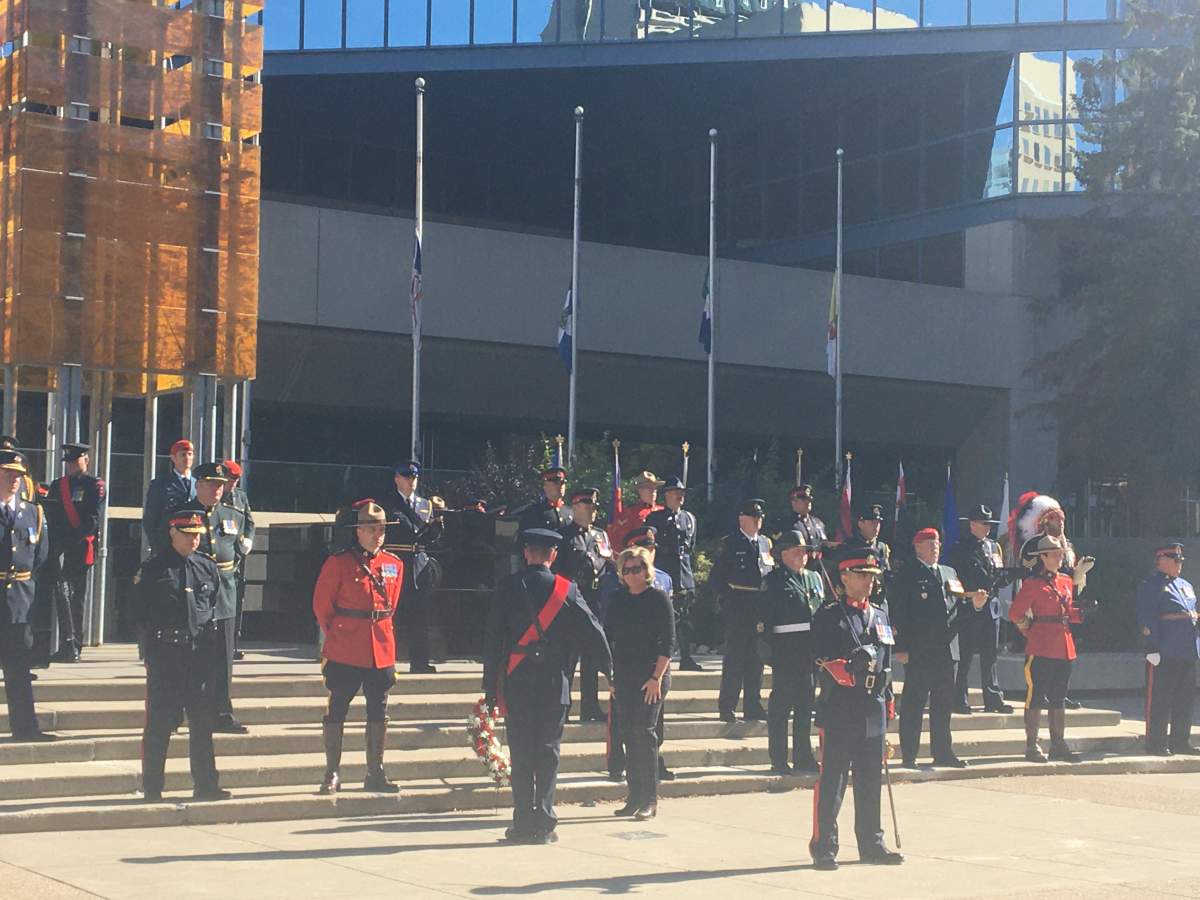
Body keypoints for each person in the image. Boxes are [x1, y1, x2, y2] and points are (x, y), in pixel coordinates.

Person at [482, 528, 612, 844]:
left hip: (518, 681)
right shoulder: (566, 590)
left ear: (526, 553)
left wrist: (489, 689)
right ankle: (545, 820)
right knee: (549, 752)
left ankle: (523, 821)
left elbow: (493, 639)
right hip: (555, 681)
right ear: (552, 555)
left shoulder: (508, 587)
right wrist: (610, 672)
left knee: (522, 751)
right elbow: (593, 633)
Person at [809, 548, 903, 871]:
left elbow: (887, 662)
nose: (869, 582)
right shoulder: (829, 615)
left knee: (869, 780)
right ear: (845, 577)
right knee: (833, 781)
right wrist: (844, 667)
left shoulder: (880, 615)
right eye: (862, 575)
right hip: (840, 707)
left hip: (872, 708)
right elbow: (819, 658)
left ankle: (872, 843)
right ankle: (824, 846)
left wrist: (889, 703)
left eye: (872, 576)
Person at [135, 500, 227, 802]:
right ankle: (152, 787)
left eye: (197, 533)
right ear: (172, 532)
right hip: (166, 654)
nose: (194, 539)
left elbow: (210, 605)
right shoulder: (153, 568)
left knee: (202, 724)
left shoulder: (206, 567)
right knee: (160, 723)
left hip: (198, 655)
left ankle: (206, 784)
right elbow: (138, 612)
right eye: (187, 533)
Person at [312, 499, 405, 793]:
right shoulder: (338, 563)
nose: (377, 534)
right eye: (370, 528)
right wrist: (338, 633)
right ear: (358, 532)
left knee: (378, 710)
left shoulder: (394, 564)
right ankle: (332, 773)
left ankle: (375, 772)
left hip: (380, 647)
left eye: (381, 529)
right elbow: (322, 606)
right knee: (338, 708)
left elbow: (392, 606)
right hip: (346, 646)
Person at [891, 527, 984, 768]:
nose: (935, 547)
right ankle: (909, 755)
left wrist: (975, 604)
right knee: (913, 705)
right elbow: (899, 612)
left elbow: (958, 605)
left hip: (947, 649)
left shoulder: (949, 572)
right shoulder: (908, 573)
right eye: (929, 543)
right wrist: (900, 646)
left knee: (943, 705)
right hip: (920, 650)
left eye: (937, 543)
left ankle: (942, 752)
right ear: (917, 546)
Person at [606, 546, 674, 821]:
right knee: (626, 733)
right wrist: (610, 677)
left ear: (647, 571)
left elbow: (668, 642)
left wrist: (656, 677)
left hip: (652, 676)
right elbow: (607, 638)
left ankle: (649, 799)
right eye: (628, 570)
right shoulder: (617, 599)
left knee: (645, 735)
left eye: (638, 569)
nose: (633, 575)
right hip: (624, 675)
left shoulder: (658, 599)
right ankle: (633, 797)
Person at [1009, 533, 1082, 763]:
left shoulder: (1065, 581)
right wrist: (1028, 631)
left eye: (1061, 554)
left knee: (1059, 697)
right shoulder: (1032, 583)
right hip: (1040, 645)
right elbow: (1015, 613)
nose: (1060, 558)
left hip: (1063, 644)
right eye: (1055, 554)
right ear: (1043, 557)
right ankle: (1032, 746)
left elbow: (1068, 611)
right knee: (1036, 696)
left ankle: (1058, 743)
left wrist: (1083, 612)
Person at [0, 450, 54, 741]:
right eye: (8, 474)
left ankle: (25, 728)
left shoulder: (33, 512)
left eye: (18, 476)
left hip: (19, 601)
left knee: (19, 670)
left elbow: (40, 557)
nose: (14, 481)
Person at [193, 462, 250, 735]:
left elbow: (236, 550)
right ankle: (190, 709)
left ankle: (222, 713)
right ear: (198, 485)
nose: (218, 489)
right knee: (193, 656)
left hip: (225, 591)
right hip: (195, 594)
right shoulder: (184, 514)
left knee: (223, 658)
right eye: (212, 484)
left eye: (220, 484)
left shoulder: (232, 513)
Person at [760, 531, 824, 774]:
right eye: (796, 550)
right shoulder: (774, 580)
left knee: (805, 707)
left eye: (804, 551)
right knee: (781, 708)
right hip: (786, 651)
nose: (802, 555)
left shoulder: (814, 578)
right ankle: (778, 759)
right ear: (783, 554)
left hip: (810, 653)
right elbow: (764, 620)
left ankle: (803, 757)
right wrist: (769, 653)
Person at [552, 486, 613, 722]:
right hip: (569, 604)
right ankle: (563, 708)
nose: (593, 511)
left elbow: (607, 565)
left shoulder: (601, 536)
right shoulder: (563, 536)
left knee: (591, 658)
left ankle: (590, 707)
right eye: (588, 507)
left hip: (595, 603)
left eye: (594, 507)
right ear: (575, 507)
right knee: (567, 659)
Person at [947, 504, 1015, 714]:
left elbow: (999, 574)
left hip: (991, 606)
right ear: (973, 524)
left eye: (990, 524)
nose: (988, 528)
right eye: (984, 524)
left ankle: (992, 698)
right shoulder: (961, 547)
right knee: (965, 655)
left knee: (990, 656)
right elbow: (965, 576)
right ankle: (960, 699)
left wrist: (1011, 574)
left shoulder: (993, 547)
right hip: (970, 606)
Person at [1136, 543, 1199, 756]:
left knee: (1185, 698)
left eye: (1180, 560)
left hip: (1187, 650)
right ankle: (1156, 742)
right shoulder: (1151, 585)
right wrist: (1151, 646)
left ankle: (1180, 741)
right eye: (1174, 559)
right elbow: (1147, 618)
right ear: (1161, 560)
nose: (1179, 564)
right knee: (1160, 699)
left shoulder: (1185, 585)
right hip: (1164, 650)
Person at [714, 499, 773, 723]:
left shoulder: (765, 543)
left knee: (756, 660)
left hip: (759, 606)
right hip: (738, 606)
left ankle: (753, 705)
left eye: (760, 517)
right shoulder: (730, 543)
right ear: (742, 519)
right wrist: (727, 602)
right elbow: (718, 578)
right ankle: (727, 706)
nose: (758, 521)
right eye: (753, 517)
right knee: (735, 660)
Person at [45, 442, 105, 663]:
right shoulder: (57, 485)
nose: (71, 466)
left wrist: (71, 541)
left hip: (80, 548)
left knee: (75, 597)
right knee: (62, 597)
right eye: (68, 462)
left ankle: (75, 645)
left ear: (85, 460)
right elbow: (51, 516)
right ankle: (66, 644)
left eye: (75, 461)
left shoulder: (94, 485)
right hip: (59, 548)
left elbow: (91, 520)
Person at [384, 459, 443, 674]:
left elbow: (432, 538)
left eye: (414, 477)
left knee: (420, 616)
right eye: (407, 477)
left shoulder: (425, 505)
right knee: (392, 614)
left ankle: (420, 662)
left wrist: (438, 523)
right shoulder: (387, 503)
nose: (411, 481)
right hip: (396, 560)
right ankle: (387, 662)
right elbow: (396, 531)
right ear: (397, 479)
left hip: (419, 563)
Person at [645, 477, 702, 671]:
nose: (680, 497)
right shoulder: (655, 519)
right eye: (676, 493)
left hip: (683, 575)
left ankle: (686, 657)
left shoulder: (690, 518)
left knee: (685, 619)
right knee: (663, 619)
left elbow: (690, 548)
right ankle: (660, 658)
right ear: (666, 495)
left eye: (682, 494)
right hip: (664, 574)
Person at [222, 460, 255, 661]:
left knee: (236, 603)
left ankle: (233, 644)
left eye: (235, 480)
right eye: (229, 479)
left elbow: (249, 521)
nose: (232, 483)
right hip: (221, 556)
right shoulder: (216, 496)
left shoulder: (240, 497)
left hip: (237, 557)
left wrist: (249, 539)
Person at [142, 439, 196, 557]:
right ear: (173, 458)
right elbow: (151, 518)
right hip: (167, 544)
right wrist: (157, 545)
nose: (187, 458)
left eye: (190, 454)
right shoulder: (160, 484)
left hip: (194, 544)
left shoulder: (199, 484)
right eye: (182, 455)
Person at [841, 504, 892, 612]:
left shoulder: (882, 547)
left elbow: (886, 575)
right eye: (872, 523)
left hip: (879, 603)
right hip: (857, 603)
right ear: (861, 523)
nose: (876, 526)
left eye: (878, 523)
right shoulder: (850, 547)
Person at [606, 471, 663, 555]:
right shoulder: (630, 513)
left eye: (655, 488)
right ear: (640, 490)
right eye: (649, 488)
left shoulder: (662, 510)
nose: (653, 491)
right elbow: (621, 541)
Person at [783, 484, 828, 572]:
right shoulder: (787, 524)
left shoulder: (818, 523)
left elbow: (824, 545)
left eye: (809, 500)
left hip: (818, 570)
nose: (808, 502)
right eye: (804, 500)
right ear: (794, 502)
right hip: (795, 570)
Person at [517, 464, 572, 533]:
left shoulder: (571, 513)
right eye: (555, 481)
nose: (560, 485)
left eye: (563, 482)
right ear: (545, 486)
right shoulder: (534, 512)